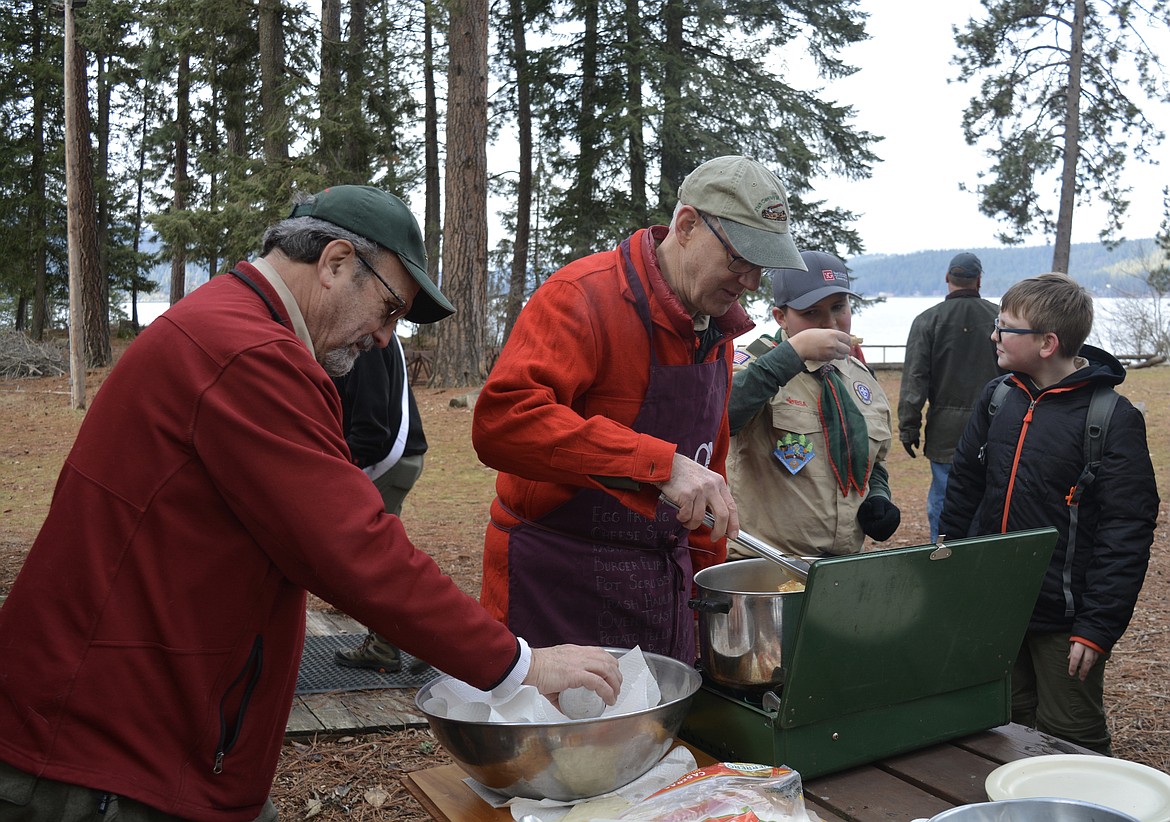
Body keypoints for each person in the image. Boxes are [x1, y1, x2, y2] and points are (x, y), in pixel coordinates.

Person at [0, 185, 621, 822]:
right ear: (333, 262)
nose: (386, 339)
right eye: (387, 310)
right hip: (106, 756)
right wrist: (519, 665)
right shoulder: (249, 356)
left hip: (142, 734)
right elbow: (353, 549)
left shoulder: (231, 329)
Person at [471, 155, 806, 662]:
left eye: (762, 265)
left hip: (660, 588)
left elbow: (707, 477)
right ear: (688, 225)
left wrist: (706, 602)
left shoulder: (718, 333)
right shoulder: (580, 297)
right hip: (557, 588)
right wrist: (659, 466)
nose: (752, 282)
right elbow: (503, 423)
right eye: (741, 259)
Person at [939, 272, 1158, 754]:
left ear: (1046, 343)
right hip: (997, 604)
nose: (994, 335)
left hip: (1067, 616)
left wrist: (1097, 627)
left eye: (1005, 327)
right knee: (1003, 724)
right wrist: (953, 573)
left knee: (1070, 735)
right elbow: (964, 490)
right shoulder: (998, 398)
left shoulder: (1111, 419)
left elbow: (1127, 531)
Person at [726, 251, 900, 558]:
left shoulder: (861, 378)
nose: (830, 323)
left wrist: (879, 497)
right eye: (811, 312)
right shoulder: (755, 365)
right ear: (781, 317)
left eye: (838, 308)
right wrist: (794, 353)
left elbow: (874, 462)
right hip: (765, 565)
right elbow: (723, 414)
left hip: (841, 566)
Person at [332, 337, 428, 673]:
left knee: (373, 558)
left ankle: (422, 633)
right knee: (382, 555)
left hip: (386, 459)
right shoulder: (367, 337)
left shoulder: (368, 343)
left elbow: (372, 428)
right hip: (395, 455)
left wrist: (335, 465)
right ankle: (402, 638)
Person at [898, 251, 1000, 541]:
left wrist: (909, 427)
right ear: (979, 280)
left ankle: (942, 558)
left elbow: (915, 379)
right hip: (993, 428)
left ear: (947, 278)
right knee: (989, 498)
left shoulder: (927, 320)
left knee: (944, 499)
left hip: (945, 430)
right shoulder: (998, 318)